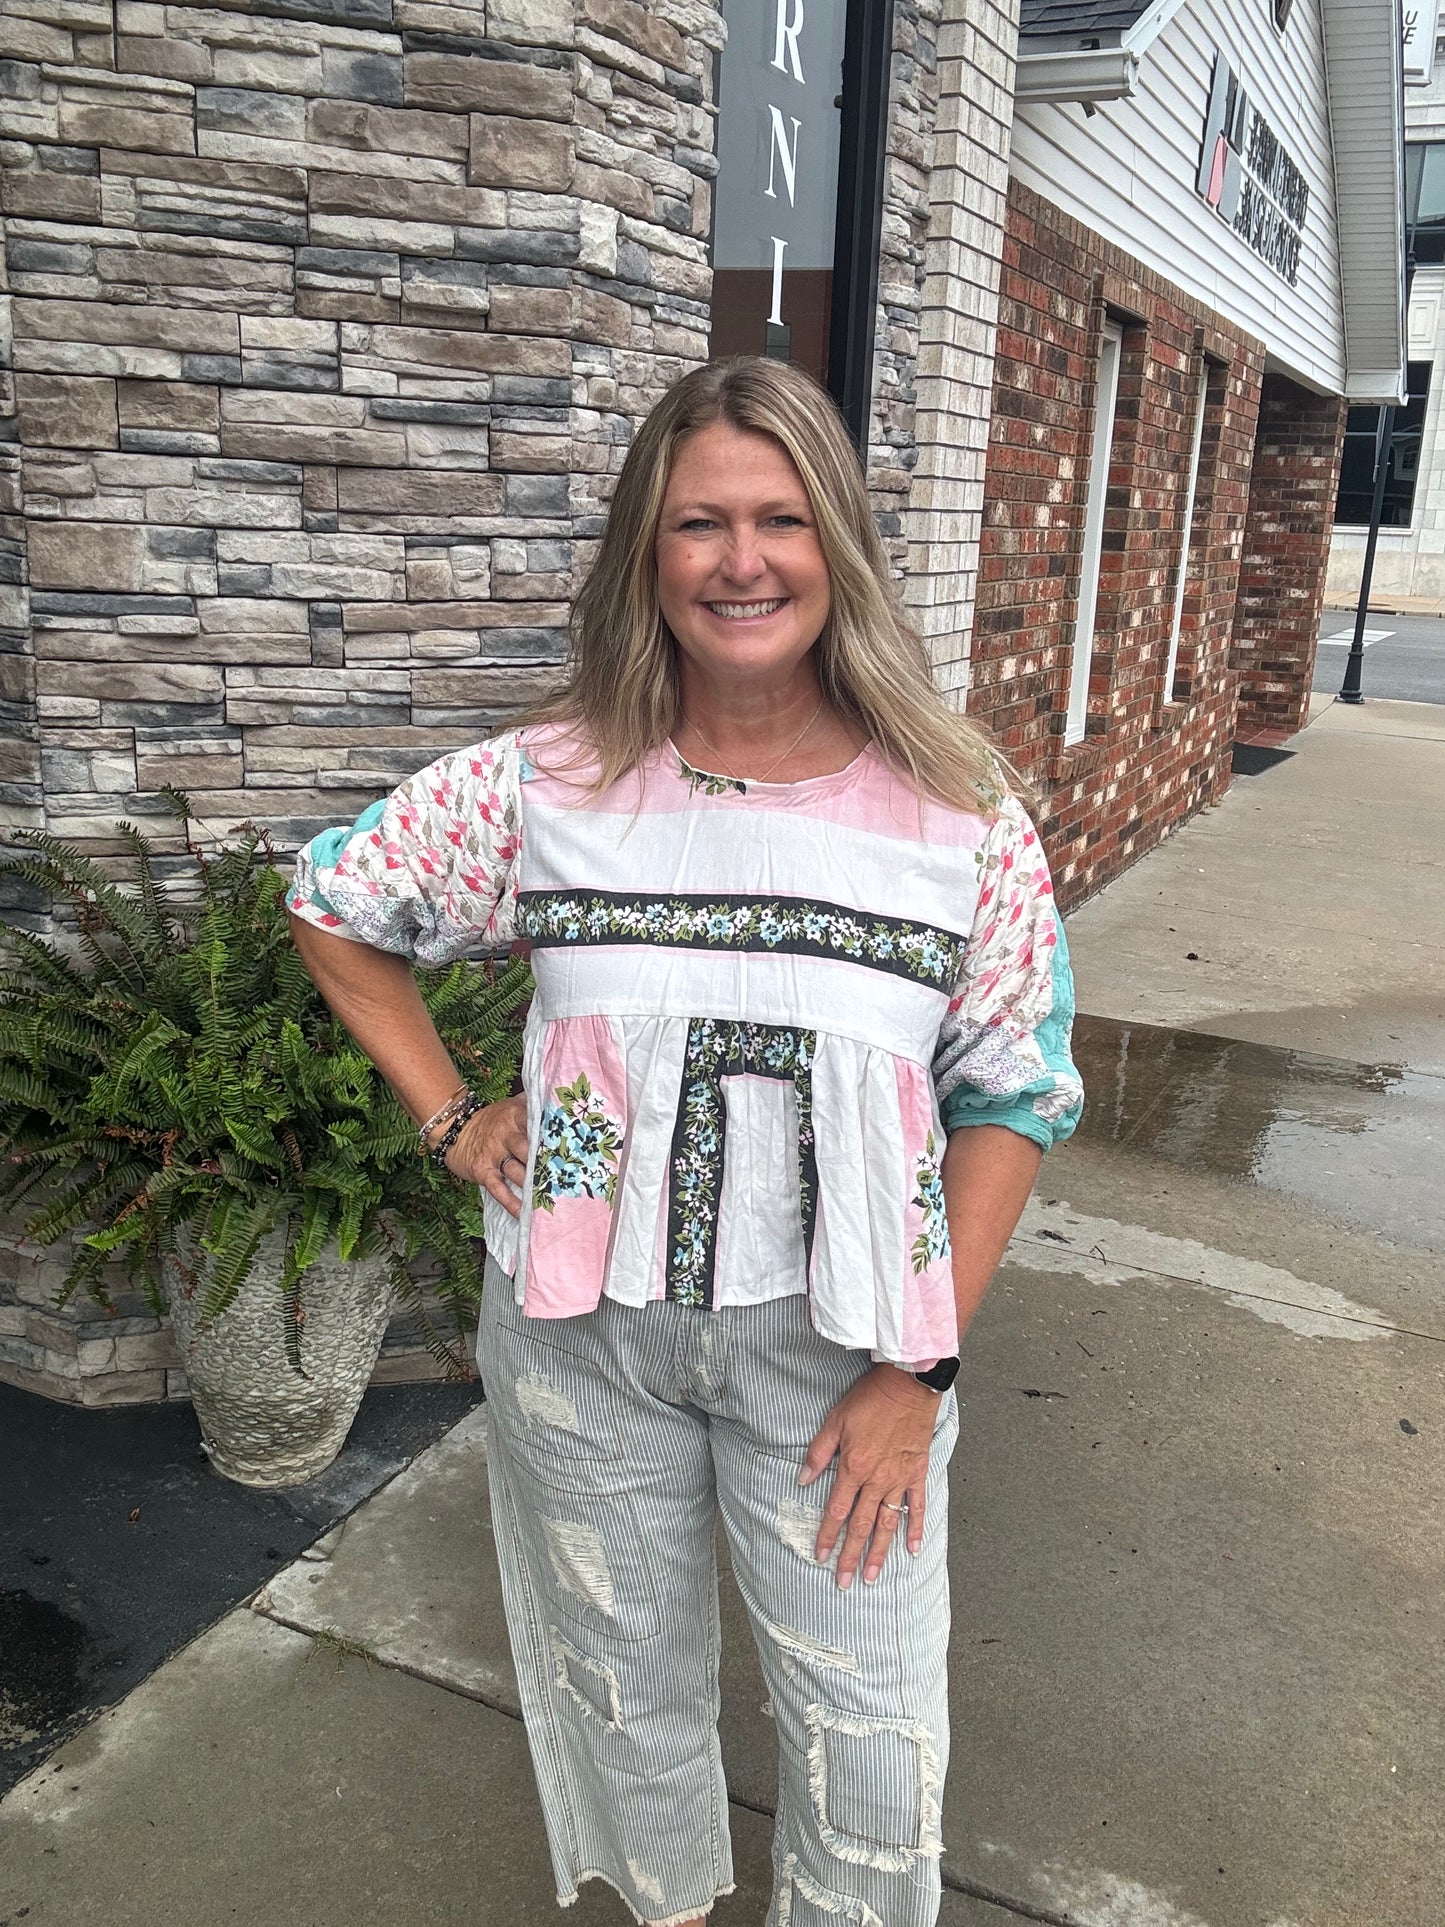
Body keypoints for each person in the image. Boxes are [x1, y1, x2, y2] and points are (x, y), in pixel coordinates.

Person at [288, 356, 1083, 1927]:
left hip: (838, 1360)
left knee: (868, 1735)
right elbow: (337, 903)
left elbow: (1014, 1097)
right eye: (696, 522)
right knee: (617, 1687)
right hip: (581, 1348)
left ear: (835, 546)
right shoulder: (545, 786)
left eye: (780, 519)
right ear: (645, 557)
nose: (739, 561)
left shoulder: (958, 814)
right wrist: (455, 1114)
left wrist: (915, 1377)